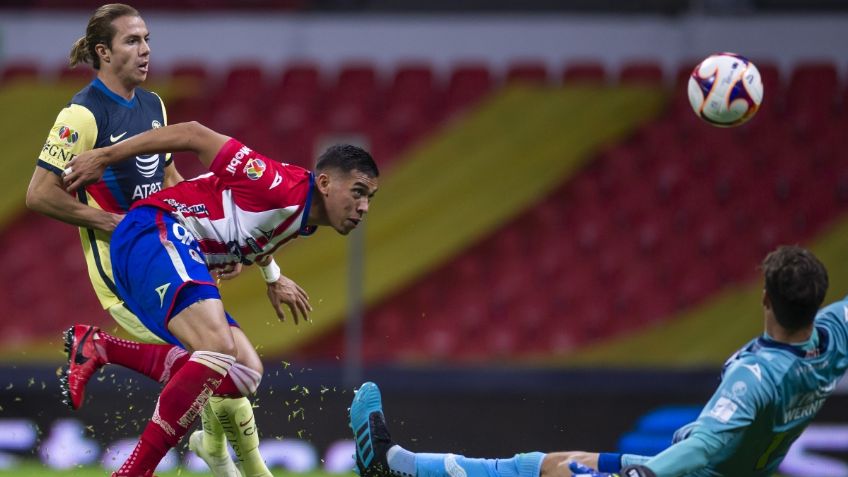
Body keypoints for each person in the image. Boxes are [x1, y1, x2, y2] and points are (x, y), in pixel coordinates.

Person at [348, 245, 846, 477]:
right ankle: (397, 465)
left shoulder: (754, 378)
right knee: (547, 466)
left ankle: (395, 467)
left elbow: (706, 448)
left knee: (533, 472)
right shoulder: (832, 336)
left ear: (764, 298)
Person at [23, 4, 267, 476]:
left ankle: (214, 453)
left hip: (168, 253)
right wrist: (112, 223)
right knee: (219, 360)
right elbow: (38, 195)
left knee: (228, 362)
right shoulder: (81, 114)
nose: (146, 50)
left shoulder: (153, 106)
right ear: (103, 52)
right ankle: (234, 466)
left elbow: (171, 178)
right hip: (124, 272)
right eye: (132, 41)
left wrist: (205, 238)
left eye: (147, 39)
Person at [62, 120, 378, 476]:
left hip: (170, 247)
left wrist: (272, 275)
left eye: (369, 197)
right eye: (358, 191)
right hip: (154, 231)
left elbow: (249, 222)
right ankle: (134, 471)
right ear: (324, 182)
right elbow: (194, 135)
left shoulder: (302, 215)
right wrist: (105, 156)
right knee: (218, 348)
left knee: (244, 372)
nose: (364, 206)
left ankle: (102, 348)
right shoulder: (275, 182)